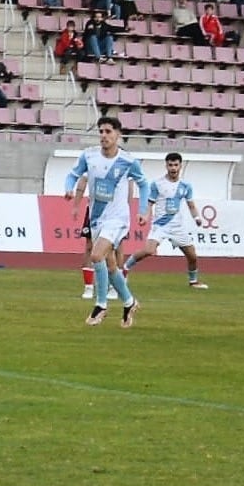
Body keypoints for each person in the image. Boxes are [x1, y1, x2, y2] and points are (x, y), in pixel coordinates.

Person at [63, 116, 151, 328]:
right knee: (111, 266)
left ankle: (101, 304)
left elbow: (144, 184)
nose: (104, 135)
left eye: (108, 131)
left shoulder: (128, 161)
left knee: (95, 255)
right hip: (97, 218)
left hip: (118, 219)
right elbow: (73, 174)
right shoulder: (89, 155)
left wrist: (142, 211)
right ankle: (129, 302)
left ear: (118, 134)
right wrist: (68, 187)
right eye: (101, 131)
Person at [122, 152, 209, 289]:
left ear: (180, 166)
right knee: (149, 250)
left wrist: (197, 218)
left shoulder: (185, 186)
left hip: (177, 227)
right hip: (160, 225)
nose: (173, 168)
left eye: (176, 165)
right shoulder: (157, 184)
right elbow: (150, 203)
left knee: (192, 256)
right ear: (166, 166)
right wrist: (145, 216)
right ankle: (124, 269)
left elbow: (191, 205)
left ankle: (193, 281)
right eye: (170, 165)